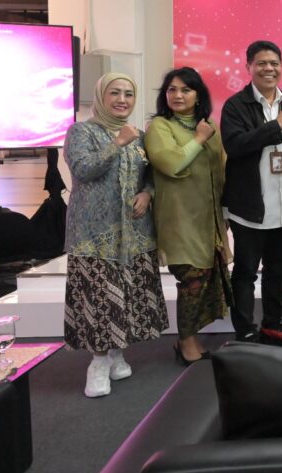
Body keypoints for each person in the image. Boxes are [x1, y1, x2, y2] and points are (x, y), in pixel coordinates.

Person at [63, 73, 168, 398]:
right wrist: (117, 143)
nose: (122, 100)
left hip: (134, 232)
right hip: (94, 235)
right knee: (99, 297)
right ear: (101, 96)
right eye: (115, 93)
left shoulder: (138, 136)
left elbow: (150, 175)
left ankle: (116, 354)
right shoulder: (81, 131)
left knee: (127, 294)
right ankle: (97, 363)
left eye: (128, 94)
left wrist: (147, 194)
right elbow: (83, 169)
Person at [221, 40, 282, 346]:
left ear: (281, 66)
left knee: (277, 269)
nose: (269, 68)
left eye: (274, 63)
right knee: (245, 272)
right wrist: (275, 126)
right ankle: (244, 329)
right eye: (262, 63)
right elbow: (235, 146)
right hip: (250, 207)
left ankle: (272, 323)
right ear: (249, 67)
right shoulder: (236, 105)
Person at [145, 66, 230, 365]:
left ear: (198, 95)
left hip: (208, 218)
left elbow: (220, 171)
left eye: (185, 89)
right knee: (191, 278)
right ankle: (185, 341)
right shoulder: (160, 127)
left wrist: (225, 213)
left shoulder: (209, 126)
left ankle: (189, 337)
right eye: (172, 90)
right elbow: (171, 163)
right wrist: (199, 139)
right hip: (179, 218)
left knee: (205, 277)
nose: (178, 95)